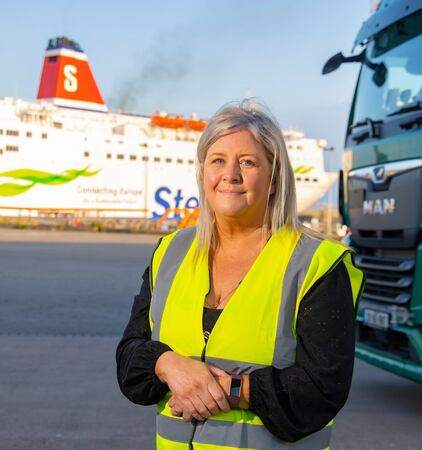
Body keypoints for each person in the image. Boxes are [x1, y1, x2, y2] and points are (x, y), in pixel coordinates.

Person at [116, 99, 364, 449]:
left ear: (275, 179)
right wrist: (168, 364)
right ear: (204, 173)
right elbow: (130, 361)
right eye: (218, 160)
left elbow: (322, 390)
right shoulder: (170, 253)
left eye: (247, 162)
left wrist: (224, 390)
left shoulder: (316, 265)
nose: (230, 174)